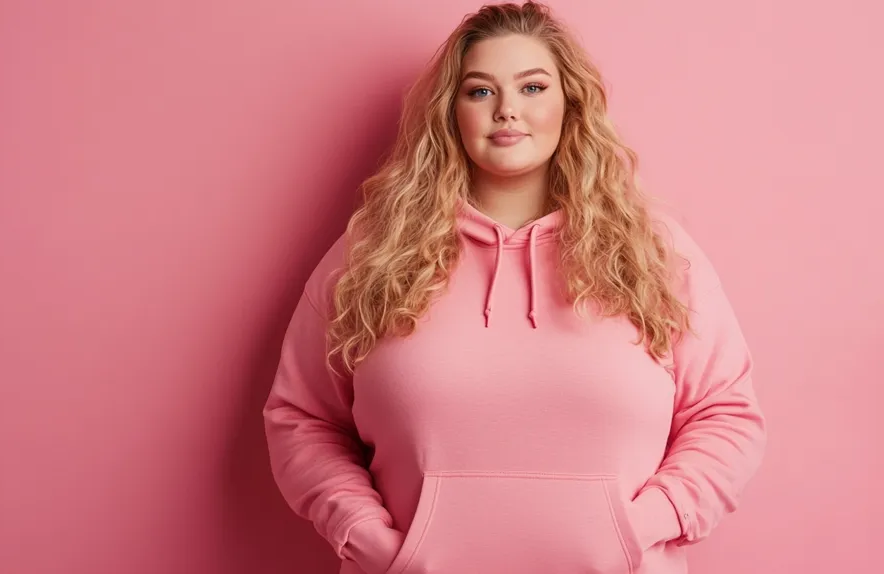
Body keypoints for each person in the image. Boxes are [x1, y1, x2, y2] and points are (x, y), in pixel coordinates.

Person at [262, 2, 767, 573]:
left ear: (568, 103)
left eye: (532, 87)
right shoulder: (374, 254)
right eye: (480, 91)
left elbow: (724, 413)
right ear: (450, 112)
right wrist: (368, 536)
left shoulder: (654, 253)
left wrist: (640, 529)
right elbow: (302, 418)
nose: (507, 111)